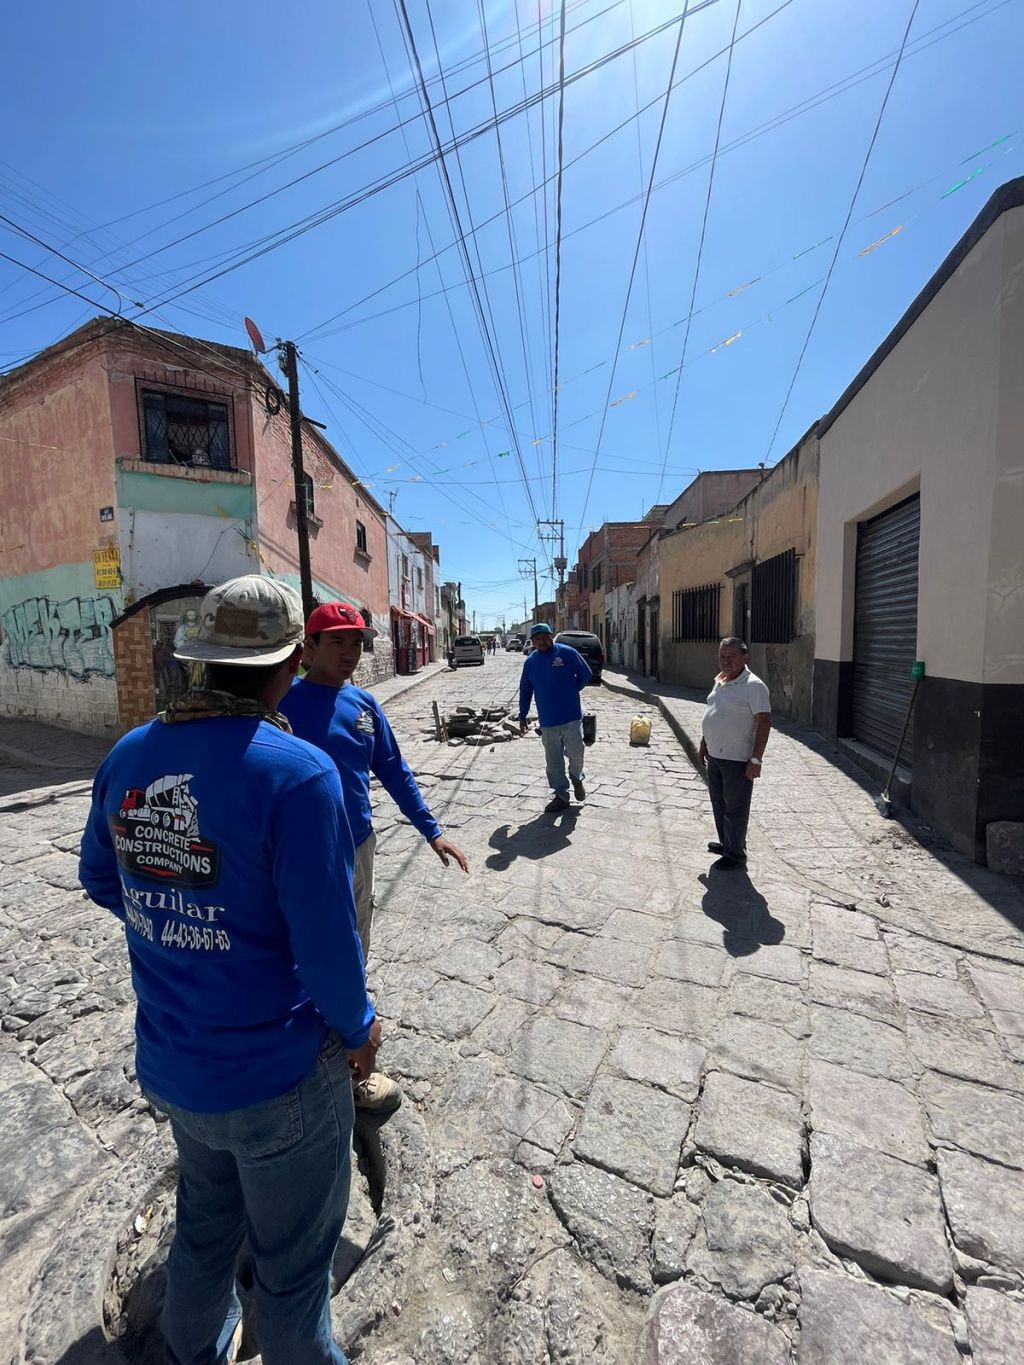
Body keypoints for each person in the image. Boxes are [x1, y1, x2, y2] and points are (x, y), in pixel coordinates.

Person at [79, 575, 376, 1365]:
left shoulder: (127, 755)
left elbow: (101, 876)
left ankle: (190, 1350)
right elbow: (326, 945)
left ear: (200, 662)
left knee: (205, 1227)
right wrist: (360, 1030)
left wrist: (176, 926)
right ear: (287, 664)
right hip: (278, 1078)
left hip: (174, 1065)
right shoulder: (297, 773)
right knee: (291, 1268)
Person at [280, 601, 469, 1110]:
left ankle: (346, 1056)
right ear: (309, 648)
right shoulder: (281, 705)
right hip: (296, 851)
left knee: (353, 945)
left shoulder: (365, 707)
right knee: (292, 947)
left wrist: (432, 831)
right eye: (337, 641)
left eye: (357, 642)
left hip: (357, 847)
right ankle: (300, 1050)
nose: (349, 652)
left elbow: (394, 771)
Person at [697, 636, 772, 869]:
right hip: (716, 756)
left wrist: (756, 760)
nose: (726, 661)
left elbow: (764, 722)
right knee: (719, 803)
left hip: (737, 759)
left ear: (745, 658)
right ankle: (728, 843)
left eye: (732, 657)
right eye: (723, 656)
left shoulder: (754, 686)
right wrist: (704, 742)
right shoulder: (720, 680)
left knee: (735, 808)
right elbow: (713, 711)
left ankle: (735, 855)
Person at [518, 622, 592, 813]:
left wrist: (571, 689)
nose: (542, 641)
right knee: (553, 761)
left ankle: (577, 778)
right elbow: (525, 690)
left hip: (572, 716)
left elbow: (586, 673)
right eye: (537, 639)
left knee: (577, 751)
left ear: (551, 636)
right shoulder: (531, 662)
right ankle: (561, 795)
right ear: (533, 642)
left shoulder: (567, 653)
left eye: (545, 637)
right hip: (548, 720)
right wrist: (522, 715)